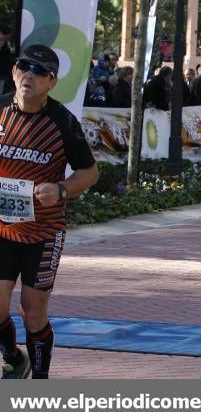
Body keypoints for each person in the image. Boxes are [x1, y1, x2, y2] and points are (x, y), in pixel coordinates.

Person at [0, 45, 98, 379]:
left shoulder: (62, 122)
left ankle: (40, 383)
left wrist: (60, 190)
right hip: (3, 229)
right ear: (14, 71)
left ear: (52, 82)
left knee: (33, 309)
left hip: (44, 231)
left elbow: (89, 173)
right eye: (24, 67)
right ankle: (14, 359)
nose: (29, 75)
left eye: (39, 71)